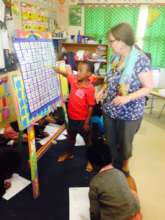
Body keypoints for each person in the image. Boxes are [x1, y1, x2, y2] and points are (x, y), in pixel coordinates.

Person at [96, 23, 153, 176]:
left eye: (111, 41)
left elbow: (148, 87)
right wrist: (102, 90)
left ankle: (125, 162)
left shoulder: (141, 60)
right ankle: (114, 162)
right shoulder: (115, 57)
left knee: (125, 143)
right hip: (110, 109)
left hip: (129, 113)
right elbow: (109, 79)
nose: (109, 44)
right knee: (111, 140)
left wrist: (127, 98)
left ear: (122, 41)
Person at [55, 61, 95, 171]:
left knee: (88, 142)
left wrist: (87, 122)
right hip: (72, 118)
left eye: (81, 70)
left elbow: (91, 106)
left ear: (88, 74)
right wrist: (57, 70)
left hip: (83, 121)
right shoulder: (74, 81)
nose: (77, 72)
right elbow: (67, 74)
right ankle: (69, 153)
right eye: (77, 70)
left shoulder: (90, 89)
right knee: (71, 138)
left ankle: (91, 161)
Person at [87, 139, 142, 220]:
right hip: (136, 215)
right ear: (111, 158)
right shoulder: (120, 173)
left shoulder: (95, 183)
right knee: (132, 192)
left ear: (92, 165)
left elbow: (94, 212)